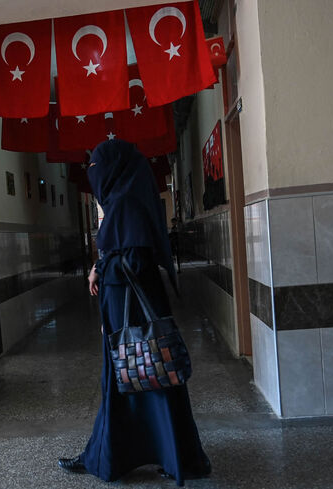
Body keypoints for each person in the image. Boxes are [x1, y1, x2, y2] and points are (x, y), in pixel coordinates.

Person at [58, 139, 210, 486]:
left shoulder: (125, 204)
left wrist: (103, 267)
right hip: (133, 309)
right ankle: (166, 455)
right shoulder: (126, 200)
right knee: (151, 377)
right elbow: (123, 251)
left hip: (131, 313)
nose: (93, 174)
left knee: (133, 378)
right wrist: (102, 263)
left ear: (114, 169)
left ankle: (108, 455)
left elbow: (134, 261)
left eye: (96, 166)